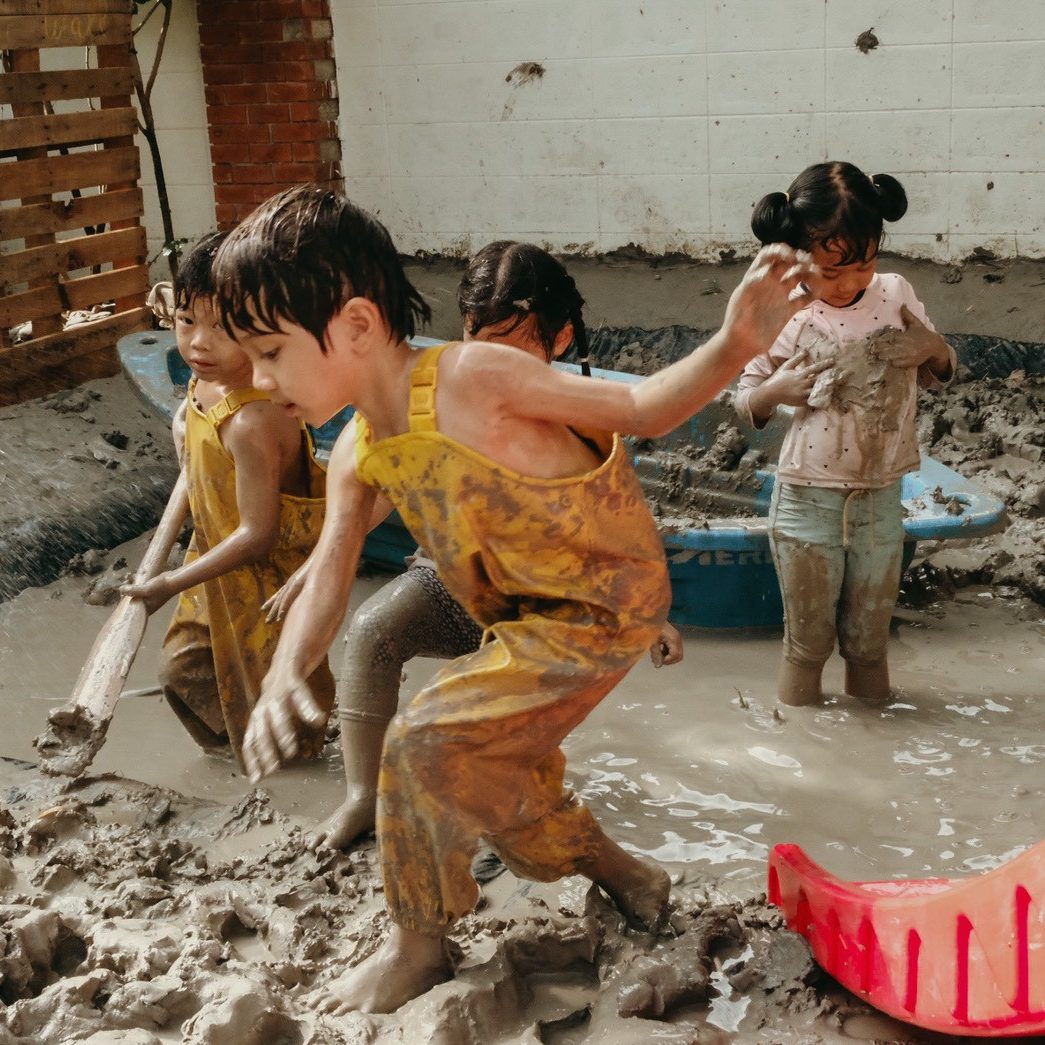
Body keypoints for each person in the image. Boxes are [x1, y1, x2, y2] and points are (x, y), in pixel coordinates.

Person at [213, 184, 814, 1014]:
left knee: (422, 743)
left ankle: (416, 945)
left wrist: (731, 341)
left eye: (271, 351)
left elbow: (639, 408)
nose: (257, 375)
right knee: (481, 766)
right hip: (520, 618)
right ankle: (626, 873)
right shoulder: (357, 449)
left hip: (602, 602)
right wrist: (287, 669)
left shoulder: (473, 375)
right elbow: (329, 569)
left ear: (354, 324)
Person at [283, 240, 683, 853]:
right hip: (454, 581)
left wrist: (656, 615)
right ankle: (364, 797)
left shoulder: (576, 413)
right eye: (480, 341)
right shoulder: (444, 396)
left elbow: (618, 526)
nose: (494, 363)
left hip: (554, 601)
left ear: (560, 339)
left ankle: (528, 830)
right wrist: (316, 566)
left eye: (514, 344)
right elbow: (367, 501)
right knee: (370, 633)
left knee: (501, 734)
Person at [734, 161, 956, 708]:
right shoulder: (787, 309)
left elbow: (943, 364)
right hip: (806, 499)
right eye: (830, 273)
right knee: (806, 646)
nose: (849, 283)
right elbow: (744, 398)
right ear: (797, 257)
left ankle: (873, 751)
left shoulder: (895, 293)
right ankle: (805, 756)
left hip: (881, 496)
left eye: (863, 264)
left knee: (869, 644)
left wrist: (934, 350)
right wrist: (777, 388)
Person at [121, 231, 334, 764]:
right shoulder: (200, 389)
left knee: (278, 711)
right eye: (187, 320)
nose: (198, 344)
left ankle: (293, 786)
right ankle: (229, 768)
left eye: (222, 328)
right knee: (183, 673)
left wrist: (169, 582)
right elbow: (196, 478)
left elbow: (259, 536)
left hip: (266, 586)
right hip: (213, 565)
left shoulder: (254, 419)